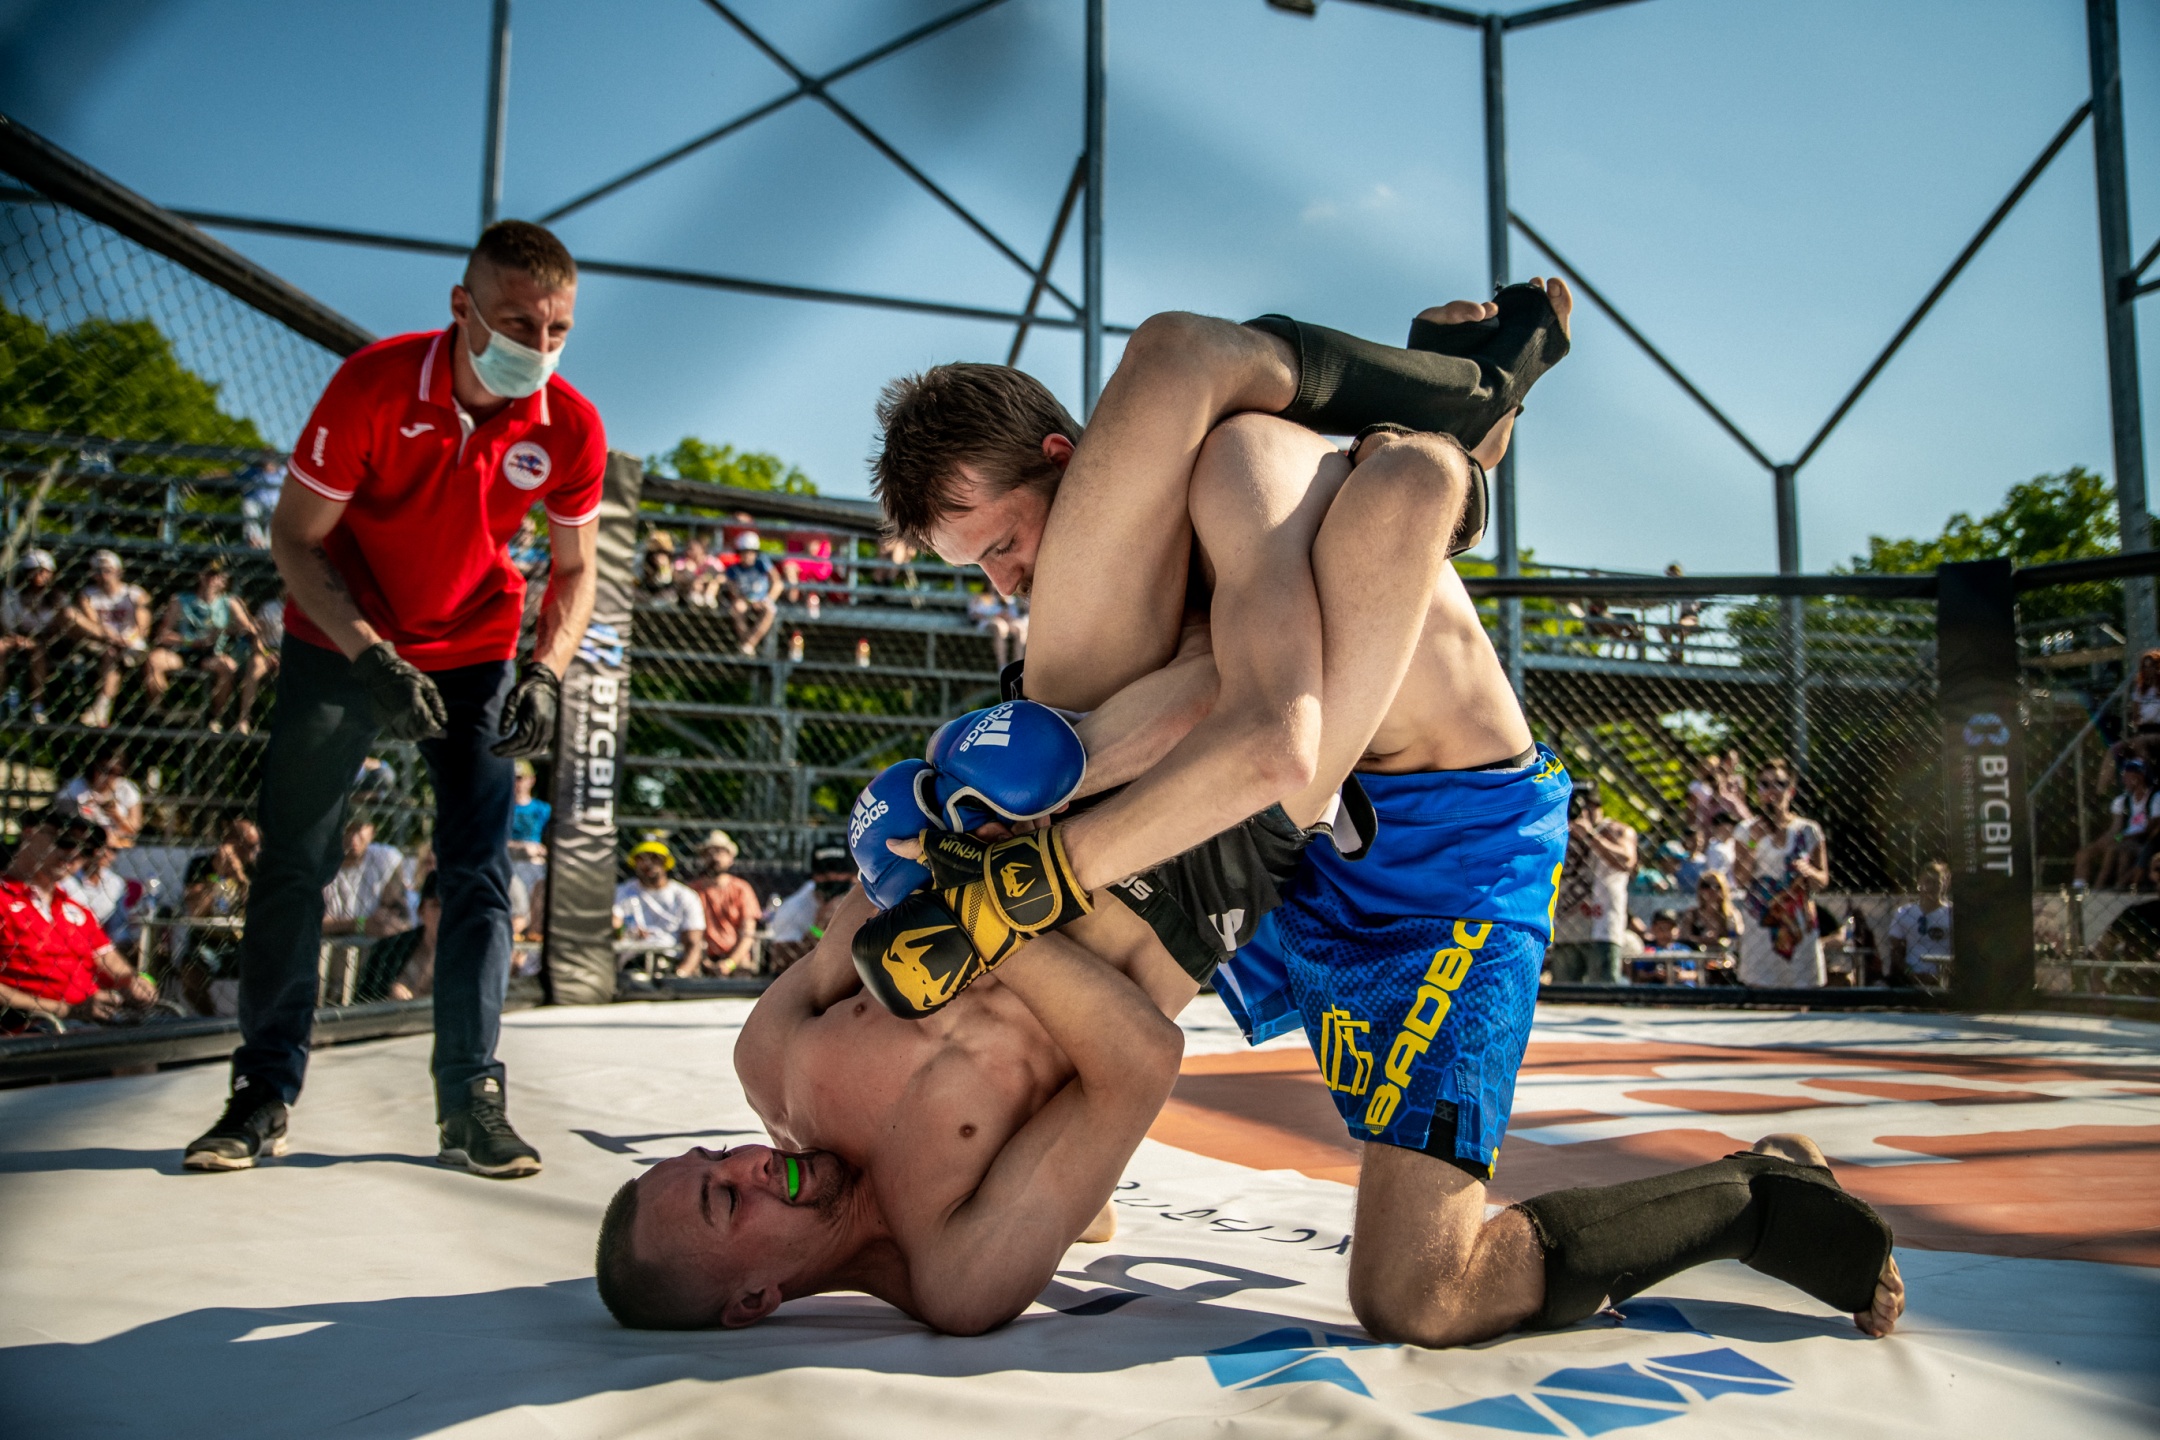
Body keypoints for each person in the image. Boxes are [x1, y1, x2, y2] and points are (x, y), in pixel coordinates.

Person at [610, 283, 1899, 1346]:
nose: (740, 1164)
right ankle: (1756, 1198)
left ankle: (1451, 424)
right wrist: (998, 928)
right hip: (1257, 839)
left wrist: (938, 846)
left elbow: (897, 885)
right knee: (1421, 1296)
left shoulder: (778, 1065)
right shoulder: (952, 1269)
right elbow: (1104, 1057)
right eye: (723, 1201)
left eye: (709, 1165)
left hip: (1370, 810)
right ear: (751, 1298)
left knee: (1246, 489)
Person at [183, 219, 603, 1179]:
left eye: (557, 330)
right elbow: (295, 537)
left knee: (480, 870)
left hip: (477, 644)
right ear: (462, 308)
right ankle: (260, 1093)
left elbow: (576, 569)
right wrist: (371, 656)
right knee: (294, 859)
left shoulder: (571, 424)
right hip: (341, 637)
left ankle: (472, 1099)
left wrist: (547, 670)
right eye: (517, 323)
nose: (539, 346)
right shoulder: (373, 385)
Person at [0, 810, 156, 1030]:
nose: (74, 853)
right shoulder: (4, 899)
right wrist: (67, 1010)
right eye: (65, 840)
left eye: (86, 848)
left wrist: (134, 980)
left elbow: (109, 961)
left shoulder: (76, 910)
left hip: (90, 1023)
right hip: (32, 1027)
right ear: (29, 834)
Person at [1732, 757, 1830, 988]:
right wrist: (1753, 843)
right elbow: (1740, 879)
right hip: (1762, 921)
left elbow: (1823, 880)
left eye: (1779, 783)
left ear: (1791, 790)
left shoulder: (1808, 830)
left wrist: (1809, 872)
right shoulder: (1746, 830)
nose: (1772, 790)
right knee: (1762, 990)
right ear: (1758, 792)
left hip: (1798, 920)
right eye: (1764, 785)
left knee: (1799, 990)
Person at [145, 559, 269, 733]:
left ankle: (214, 718)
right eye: (209, 574)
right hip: (183, 650)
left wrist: (233, 629)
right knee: (154, 660)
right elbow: (162, 635)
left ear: (224, 580)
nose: (212, 579)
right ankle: (163, 712)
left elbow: (248, 628)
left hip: (212, 654)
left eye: (217, 576)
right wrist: (191, 641)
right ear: (201, 576)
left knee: (228, 666)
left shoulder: (229, 602)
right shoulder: (180, 600)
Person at [1550, 786, 1636, 983]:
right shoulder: (1561, 830)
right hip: (1566, 924)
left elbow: (1627, 861)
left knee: (1603, 988)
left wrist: (1589, 835)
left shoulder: (1615, 830)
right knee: (1564, 989)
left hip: (1602, 924)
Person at [67, 549, 151, 728]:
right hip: (100, 640)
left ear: (119, 571)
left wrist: (128, 637)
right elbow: (92, 622)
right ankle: (102, 708)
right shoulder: (88, 594)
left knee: (112, 653)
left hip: (130, 642)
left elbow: (143, 624)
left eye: (107, 570)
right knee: (108, 650)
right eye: (98, 571)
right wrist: (109, 636)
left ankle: (101, 708)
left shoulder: (134, 593)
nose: (103, 575)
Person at [614, 841, 704, 976]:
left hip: (670, 958)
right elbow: (613, 925)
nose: (649, 863)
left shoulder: (685, 895)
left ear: (665, 862)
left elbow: (694, 942)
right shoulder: (622, 891)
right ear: (635, 863)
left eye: (655, 858)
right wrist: (627, 932)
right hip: (631, 960)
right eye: (642, 859)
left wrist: (681, 974)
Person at [760, 846, 855, 973]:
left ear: (853, 876)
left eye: (839, 871)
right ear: (813, 877)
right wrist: (818, 929)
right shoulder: (793, 909)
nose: (831, 877)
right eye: (824, 872)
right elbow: (780, 964)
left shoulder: (868, 899)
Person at [0, 548, 64, 722]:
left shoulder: (58, 598)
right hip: (16, 638)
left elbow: (58, 628)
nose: (39, 575)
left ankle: (37, 707)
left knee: (38, 652)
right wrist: (18, 638)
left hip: (47, 642)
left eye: (44, 571)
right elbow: (7, 624)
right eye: (34, 570)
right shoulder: (12, 595)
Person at [693, 829, 760, 976]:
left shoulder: (741, 889)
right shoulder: (692, 891)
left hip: (736, 958)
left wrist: (730, 963)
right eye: (709, 853)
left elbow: (748, 934)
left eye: (720, 852)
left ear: (730, 858)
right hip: (701, 956)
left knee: (744, 969)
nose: (715, 857)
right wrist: (701, 959)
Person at [321, 817, 402, 939]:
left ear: (372, 831)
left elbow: (398, 912)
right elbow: (314, 922)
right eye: (347, 829)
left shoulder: (384, 858)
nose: (353, 837)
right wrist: (361, 924)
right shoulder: (321, 861)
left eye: (358, 829)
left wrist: (385, 917)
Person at [58, 743, 143, 850]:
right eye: (103, 769)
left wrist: (117, 816)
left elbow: (134, 828)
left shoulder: (126, 789)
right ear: (94, 766)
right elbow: (61, 818)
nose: (108, 776)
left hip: (116, 846)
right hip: (83, 844)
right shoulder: (76, 787)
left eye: (115, 772)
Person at [61, 831, 137, 948]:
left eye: (113, 850)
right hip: (71, 940)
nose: (105, 853)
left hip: (102, 943)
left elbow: (118, 926)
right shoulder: (66, 880)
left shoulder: (116, 883)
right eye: (100, 846)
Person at [1885, 860, 1952, 986]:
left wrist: (1943, 975)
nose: (1932, 887)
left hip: (1944, 978)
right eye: (1928, 882)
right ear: (1919, 883)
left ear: (1944, 885)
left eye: (1936, 883)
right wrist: (1910, 973)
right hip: (1911, 977)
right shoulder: (1904, 912)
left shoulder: (1951, 914)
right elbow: (1895, 951)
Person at [722, 533, 780, 656]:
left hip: (762, 599)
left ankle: (748, 644)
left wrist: (768, 599)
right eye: (744, 552)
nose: (748, 555)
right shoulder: (734, 569)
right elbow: (733, 591)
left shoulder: (762, 564)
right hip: (744, 599)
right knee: (737, 607)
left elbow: (778, 583)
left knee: (769, 610)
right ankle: (748, 645)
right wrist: (746, 600)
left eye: (752, 552)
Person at [2129, 650, 2160, 736]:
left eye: (2151, 666)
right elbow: (2136, 712)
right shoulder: (2140, 688)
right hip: (2145, 728)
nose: (2148, 670)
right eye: (2145, 667)